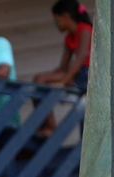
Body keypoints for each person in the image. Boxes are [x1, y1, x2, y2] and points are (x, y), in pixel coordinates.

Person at [33, 0, 92, 136]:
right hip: (78, 74)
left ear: (65, 16)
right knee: (39, 79)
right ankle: (48, 125)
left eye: (56, 19)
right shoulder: (69, 38)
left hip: (89, 75)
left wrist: (63, 81)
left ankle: (50, 127)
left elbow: (80, 59)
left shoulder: (84, 29)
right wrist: (51, 76)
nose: (55, 23)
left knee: (41, 79)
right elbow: (62, 67)